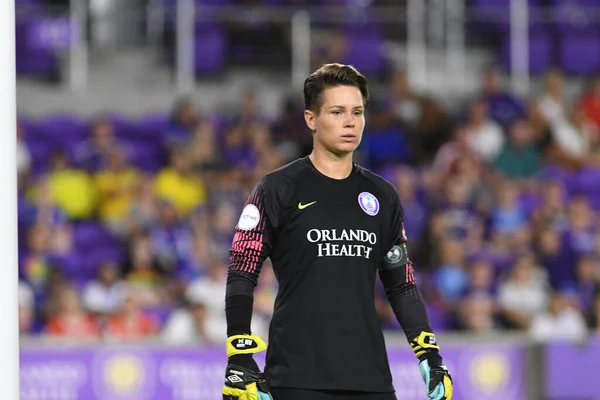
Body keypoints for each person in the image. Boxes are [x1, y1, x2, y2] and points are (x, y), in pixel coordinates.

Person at [222, 63, 453, 400]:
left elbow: (401, 283)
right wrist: (239, 355)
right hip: (296, 378)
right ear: (310, 119)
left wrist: (429, 354)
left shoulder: (383, 195)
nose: (350, 122)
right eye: (337, 111)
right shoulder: (276, 189)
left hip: (370, 380)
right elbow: (241, 270)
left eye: (357, 112)